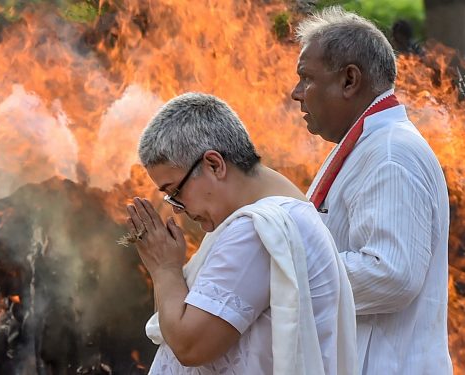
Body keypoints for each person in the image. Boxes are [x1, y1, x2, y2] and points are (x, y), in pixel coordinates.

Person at [128, 92, 356, 374]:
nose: (177, 209)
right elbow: (174, 325)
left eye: (175, 191)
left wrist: (164, 268)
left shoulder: (258, 231)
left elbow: (189, 345)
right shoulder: (274, 215)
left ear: (214, 164)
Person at [291, 7, 451, 374]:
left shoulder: (390, 154)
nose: (296, 93)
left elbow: (391, 274)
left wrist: (284, 272)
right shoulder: (370, 146)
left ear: (350, 80)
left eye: (306, 78)